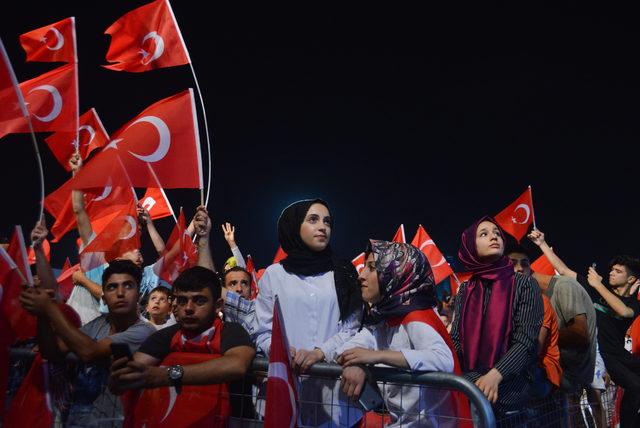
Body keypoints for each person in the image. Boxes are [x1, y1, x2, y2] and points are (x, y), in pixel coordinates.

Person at [20, 227, 156, 428]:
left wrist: (48, 308)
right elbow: (53, 352)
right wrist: (42, 316)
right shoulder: (98, 324)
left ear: (138, 293)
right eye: (111, 287)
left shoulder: (144, 332)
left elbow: (88, 352)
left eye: (128, 286)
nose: (119, 293)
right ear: (104, 295)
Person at [253, 198, 363, 427]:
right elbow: (261, 330)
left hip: (335, 396)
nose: (323, 227)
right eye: (313, 220)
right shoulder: (274, 275)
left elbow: (353, 327)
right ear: (294, 226)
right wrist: (280, 350)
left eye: (327, 221)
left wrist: (321, 353)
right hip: (287, 389)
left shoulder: (343, 272)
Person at [337, 240, 467, 427]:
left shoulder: (415, 317)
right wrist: (356, 364)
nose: (361, 276)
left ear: (396, 274)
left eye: (372, 268)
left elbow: (443, 359)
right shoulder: (385, 320)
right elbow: (349, 348)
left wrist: (376, 356)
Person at [109, 266, 255, 427]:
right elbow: (133, 373)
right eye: (183, 300)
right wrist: (122, 378)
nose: (188, 308)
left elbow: (237, 365)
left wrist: (166, 375)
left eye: (199, 300)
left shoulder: (231, 331)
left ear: (218, 305)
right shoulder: (166, 335)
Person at [528, 229, 640, 427]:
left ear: (631, 279)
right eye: (612, 270)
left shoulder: (627, 300)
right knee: (580, 398)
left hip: (616, 354)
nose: (611, 273)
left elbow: (624, 312)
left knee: (634, 388)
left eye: (618, 271)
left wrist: (598, 285)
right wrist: (542, 244)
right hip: (591, 352)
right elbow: (564, 272)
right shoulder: (595, 287)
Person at [450, 216, 543, 420]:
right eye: (484, 234)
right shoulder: (466, 289)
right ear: (470, 247)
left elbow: (525, 341)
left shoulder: (524, 284)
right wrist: (468, 379)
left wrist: (495, 375)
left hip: (511, 388)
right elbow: (456, 338)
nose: (494, 237)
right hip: (470, 385)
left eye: (497, 233)